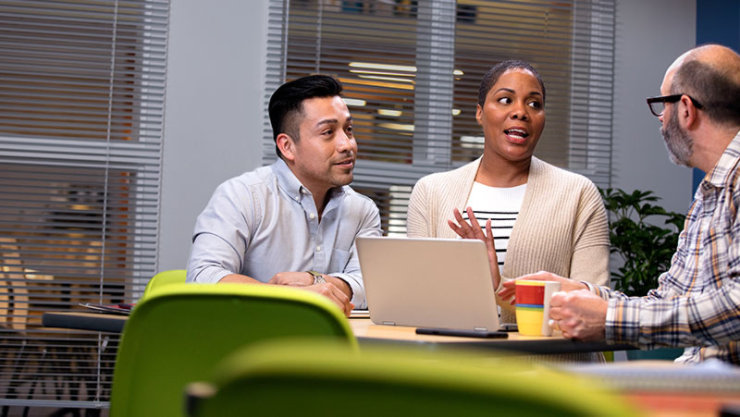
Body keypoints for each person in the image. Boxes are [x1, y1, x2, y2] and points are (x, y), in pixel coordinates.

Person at [502, 44, 740, 365]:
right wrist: (576, 291)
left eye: (662, 105)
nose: (661, 120)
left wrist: (609, 317)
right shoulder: (710, 193)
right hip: (699, 377)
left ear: (686, 109)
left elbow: (737, 306)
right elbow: (668, 300)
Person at [407, 60, 610, 328]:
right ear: (480, 113)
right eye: (505, 100)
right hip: (457, 365)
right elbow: (418, 300)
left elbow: (597, 304)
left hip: (549, 366)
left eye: (534, 104)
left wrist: (497, 287)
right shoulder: (431, 192)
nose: (521, 112)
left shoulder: (579, 195)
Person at [187, 75, 382, 316]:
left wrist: (317, 282)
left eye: (348, 130)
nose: (347, 144)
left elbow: (373, 286)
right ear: (287, 146)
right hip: (251, 343)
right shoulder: (242, 196)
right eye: (328, 132)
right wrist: (290, 296)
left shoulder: (363, 210)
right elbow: (203, 276)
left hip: (330, 346)